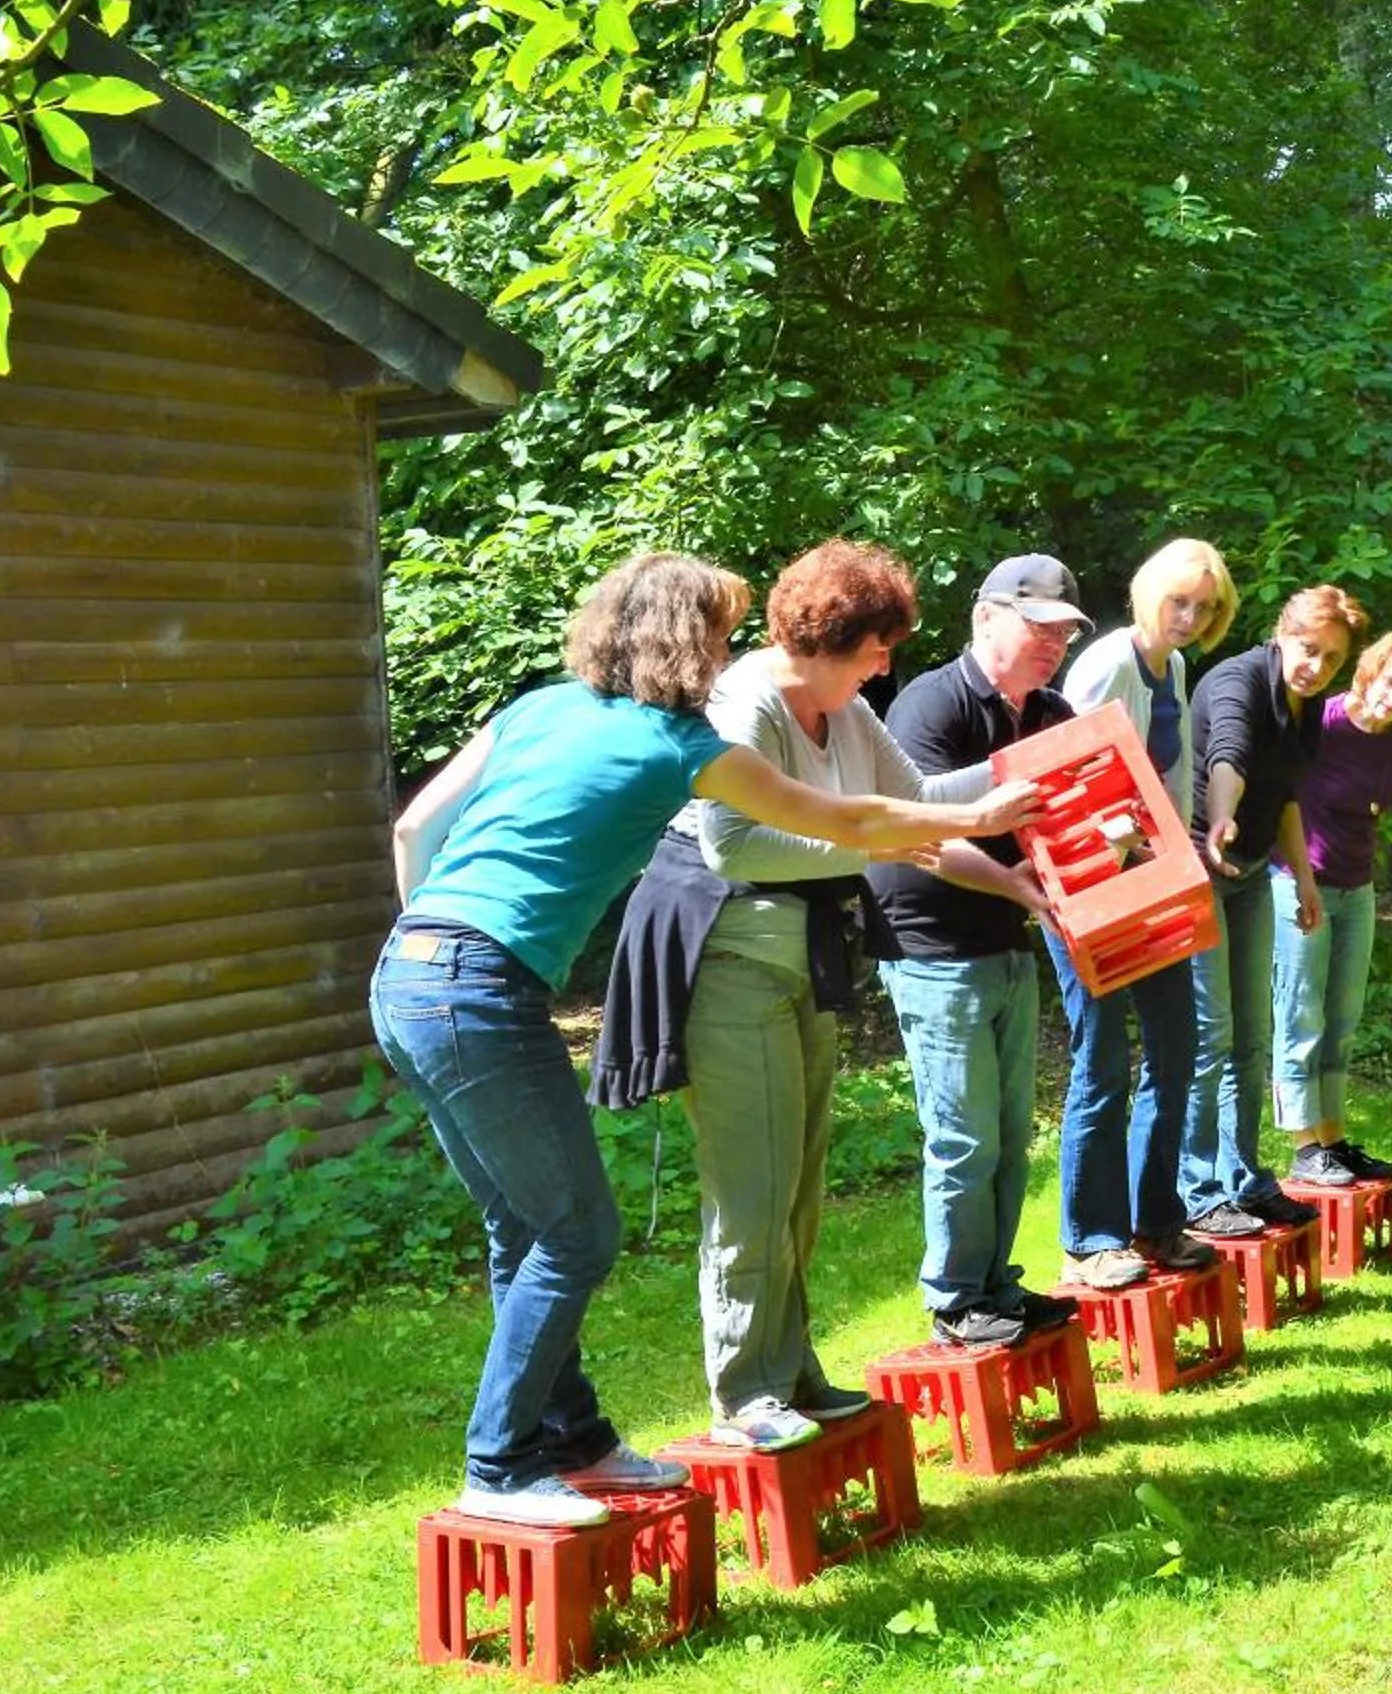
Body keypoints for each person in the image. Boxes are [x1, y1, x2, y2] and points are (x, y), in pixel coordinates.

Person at [375, 551, 1036, 1528]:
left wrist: (432, 937)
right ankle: (500, 1464)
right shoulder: (681, 743)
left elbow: (414, 828)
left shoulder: (538, 706)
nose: (728, 654)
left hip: (410, 971)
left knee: (526, 1228)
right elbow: (838, 818)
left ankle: (577, 1439)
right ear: (686, 642)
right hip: (480, 990)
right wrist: (976, 813)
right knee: (576, 1234)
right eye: (720, 635)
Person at [591, 541, 990, 1453]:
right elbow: (737, 847)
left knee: (800, 1183)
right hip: (729, 963)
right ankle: (744, 1389)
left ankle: (791, 1367)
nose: (885, 666)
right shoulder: (748, 704)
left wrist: (1021, 776)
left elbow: (916, 796)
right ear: (827, 639)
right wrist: (875, 845)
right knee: (753, 1186)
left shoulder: (846, 709)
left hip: (804, 960)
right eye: (876, 648)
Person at [867, 553, 1089, 1348]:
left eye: (1064, 634)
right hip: (932, 945)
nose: (1053, 645)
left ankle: (997, 1286)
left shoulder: (1053, 713)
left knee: (1008, 1132)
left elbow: (1078, 815)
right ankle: (957, 1300)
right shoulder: (932, 704)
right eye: (1039, 628)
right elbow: (919, 833)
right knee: (964, 1136)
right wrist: (1019, 887)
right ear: (986, 618)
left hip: (1006, 940)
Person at [1046, 539, 1240, 1290]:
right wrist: (1129, 841)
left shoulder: (1176, 667)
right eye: (1178, 601)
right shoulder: (1106, 664)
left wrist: (1182, 853)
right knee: (1102, 1060)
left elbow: (1171, 774)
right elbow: (1065, 782)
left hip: (1153, 880)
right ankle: (1090, 1240)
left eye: (1205, 608)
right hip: (1089, 886)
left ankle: (1155, 1222)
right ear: (1148, 593)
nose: (1190, 617)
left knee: (1177, 1047)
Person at [1177, 585, 1368, 1235]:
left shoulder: (1304, 706)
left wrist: (1306, 879)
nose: (1316, 666)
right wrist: (1223, 816)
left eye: (1332, 659)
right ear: (1281, 633)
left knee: (1252, 1036)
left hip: (1255, 871)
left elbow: (1286, 793)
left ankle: (1246, 1181)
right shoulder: (1238, 683)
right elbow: (1228, 756)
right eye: (1308, 649)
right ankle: (1198, 1193)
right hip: (1200, 869)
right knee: (1210, 1034)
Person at [1273, 631, 1392, 1187]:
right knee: (1301, 1015)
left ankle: (1333, 1141)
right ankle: (1303, 1146)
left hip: (1356, 887)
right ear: (1368, 673)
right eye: (1389, 683)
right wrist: (1298, 876)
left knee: (1342, 1019)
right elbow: (1279, 795)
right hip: (1299, 884)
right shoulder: (1320, 722)